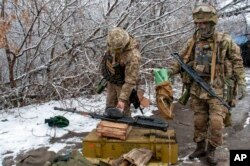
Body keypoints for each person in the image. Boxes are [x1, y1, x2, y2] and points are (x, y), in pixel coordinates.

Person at [168, 4, 246, 165]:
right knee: (199, 121)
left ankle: (211, 149)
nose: (200, 26)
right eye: (198, 24)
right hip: (197, 88)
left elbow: (237, 62)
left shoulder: (224, 40)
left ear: (212, 23)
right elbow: (181, 59)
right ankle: (200, 147)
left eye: (203, 23)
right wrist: (168, 73)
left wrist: (241, 83)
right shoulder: (193, 41)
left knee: (217, 123)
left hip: (218, 88)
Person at [101, 27, 141, 117]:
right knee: (109, 106)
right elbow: (108, 56)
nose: (115, 51)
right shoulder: (112, 41)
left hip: (123, 84)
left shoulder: (133, 56)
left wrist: (122, 100)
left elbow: (130, 81)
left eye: (118, 49)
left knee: (122, 111)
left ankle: (125, 127)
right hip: (112, 78)